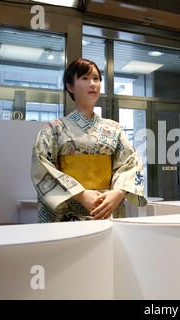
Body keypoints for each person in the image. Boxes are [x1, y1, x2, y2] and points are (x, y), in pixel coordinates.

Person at [31, 58, 147, 223]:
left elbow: (131, 163)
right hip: (69, 213)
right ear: (70, 86)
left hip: (106, 209)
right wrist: (80, 194)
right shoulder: (53, 130)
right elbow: (41, 166)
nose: (92, 84)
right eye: (84, 78)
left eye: (96, 79)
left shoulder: (114, 129)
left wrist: (119, 192)